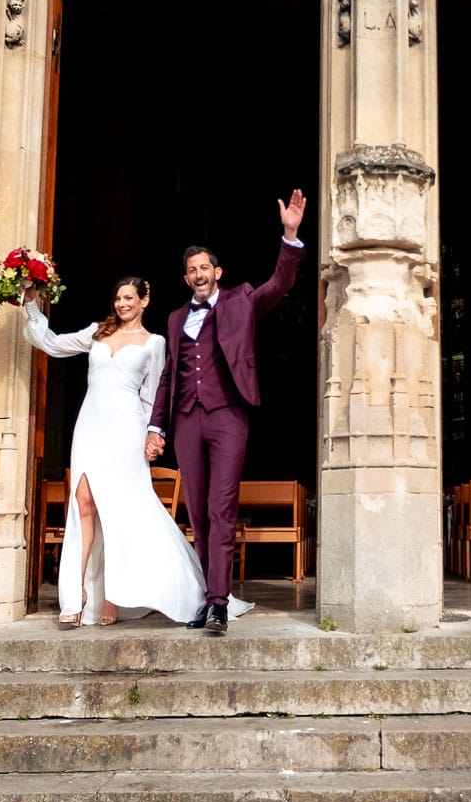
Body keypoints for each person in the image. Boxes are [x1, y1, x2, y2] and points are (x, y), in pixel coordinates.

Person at [24, 277, 250, 627]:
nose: (122, 303)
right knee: (83, 503)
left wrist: (153, 433)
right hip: (90, 426)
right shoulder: (97, 332)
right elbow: (51, 343)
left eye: (129, 297)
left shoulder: (154, 342)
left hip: (127, 430)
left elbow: (156, 393)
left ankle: (114, 598)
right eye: (118, 297)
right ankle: (75, 597)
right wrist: (30, 304)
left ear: (144, 300)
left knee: (117, 511)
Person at [146, 190, 308, 635]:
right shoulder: (177, 318)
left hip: (227, 414)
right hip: (185, 419)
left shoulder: (241, 300)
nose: (199, 274)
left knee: (222, 506)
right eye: (192, 270)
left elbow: (281, 284)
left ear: (218, 272)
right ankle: (207, 595)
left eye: (205, 268)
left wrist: (289, 236)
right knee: (197, 511)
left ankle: (217, 602)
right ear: (186, 278)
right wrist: (156, 424)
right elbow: (168, 376)